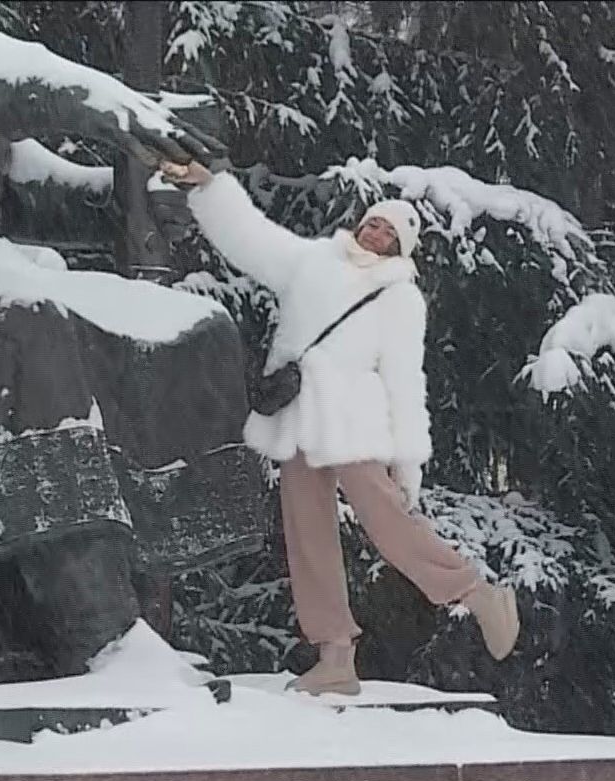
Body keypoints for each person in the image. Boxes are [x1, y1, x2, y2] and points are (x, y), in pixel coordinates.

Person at [160, 159, 519, 696]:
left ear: (402, 248)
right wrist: (206, 186)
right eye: (373, 222)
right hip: (299, 419)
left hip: (355, 421)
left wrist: (407, 458)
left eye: (390, 232)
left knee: (388, 523)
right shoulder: (313, 261)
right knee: (308, 538)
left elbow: (403, 380)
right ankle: (335, 657)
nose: (376, 233)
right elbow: (251, 237)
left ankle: (476, 593)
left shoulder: (399, 296)